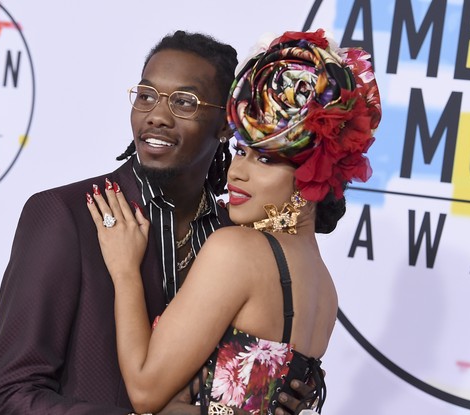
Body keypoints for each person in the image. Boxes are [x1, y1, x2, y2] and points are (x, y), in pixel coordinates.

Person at [0, 30, 311, 415]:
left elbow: (222, 390)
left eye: (184, 102)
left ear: (226, 124)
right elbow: (11, 398)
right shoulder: (66, 215)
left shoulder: (237, 240)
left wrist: (267, 393)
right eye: (146, 95)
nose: (156, 115)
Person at [86, 29, 382, 415]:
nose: (236, 173)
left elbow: (144, 392)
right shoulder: (323, 287)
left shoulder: (237, 250)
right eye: (240, 151)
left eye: (264, 159)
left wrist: (125, 273)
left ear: (312, 171)